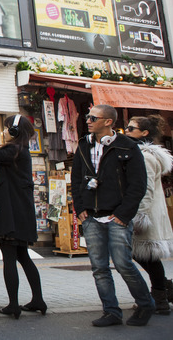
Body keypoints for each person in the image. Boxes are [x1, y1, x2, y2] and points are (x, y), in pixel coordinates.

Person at [70, 104, 154, 327]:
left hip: (117, 216)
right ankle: (111, 312)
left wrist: (123, 214)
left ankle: (146, 305)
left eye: (93, 117)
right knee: (99, 268)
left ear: (108, 121)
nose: (88, 120)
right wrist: (81, 210)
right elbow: (76, 180)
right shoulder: (83, 145)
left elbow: (138, 185)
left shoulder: (127, 147)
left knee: (123, 263)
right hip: (91, 217)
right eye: (87, 117)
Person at [0, 115, 44, 319]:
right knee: (23, 257)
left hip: (11, 212)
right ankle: (38, 300)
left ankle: (13, 305)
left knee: (9, 258)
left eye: (7, 128)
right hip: (21, 212)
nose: (4, 131)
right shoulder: (20, 151)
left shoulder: (13, 151)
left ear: (15, 131)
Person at [124, 115, 173, 314]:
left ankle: (160, 297)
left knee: (147, 258)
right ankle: (163, 291)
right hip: (146, 212)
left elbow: (145, 189)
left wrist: (139, 216)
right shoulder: (140, 154)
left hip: (146, 213)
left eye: (130, 128)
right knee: (145, 258)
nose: (126, 131)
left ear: (144, 133)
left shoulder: (144, 156)